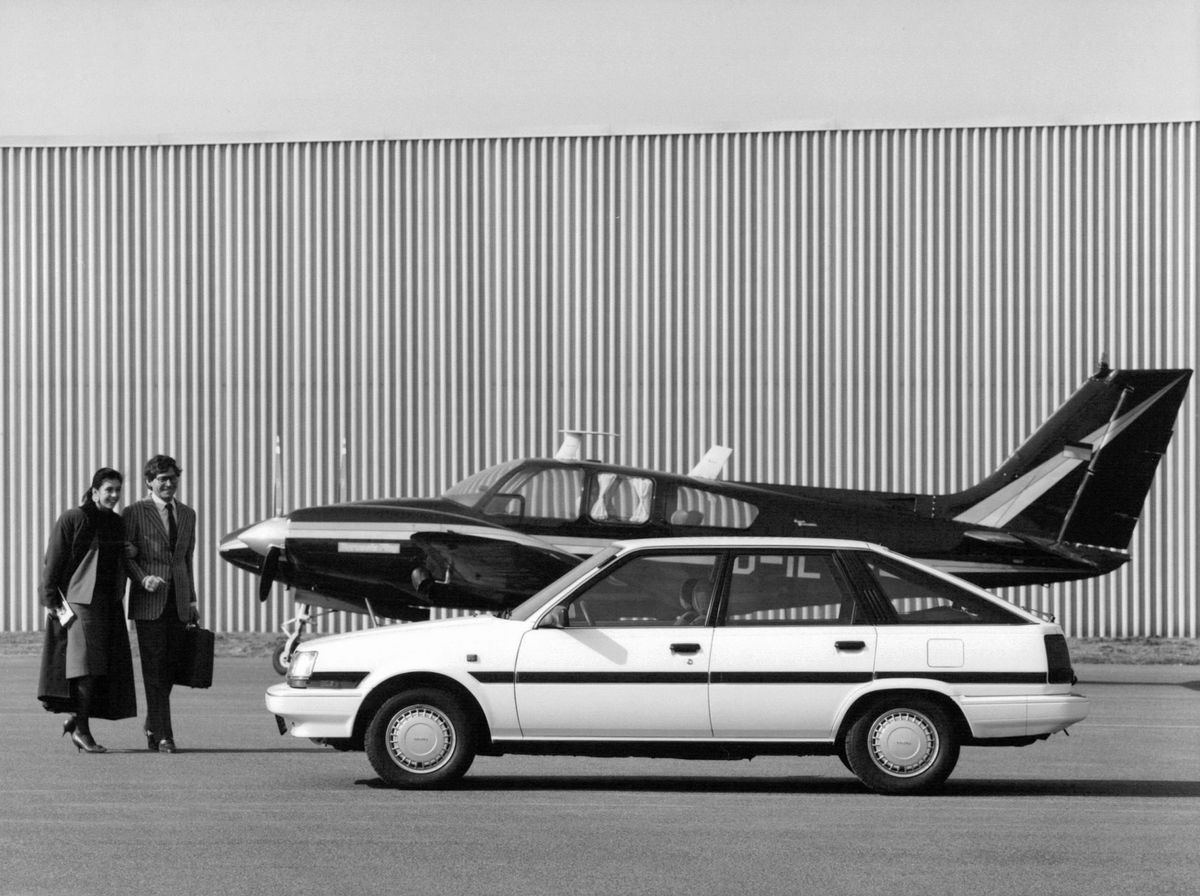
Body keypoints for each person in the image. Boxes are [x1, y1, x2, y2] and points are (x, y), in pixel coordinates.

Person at [37, 468, 138, 753]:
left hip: (109, 603)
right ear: (94, 492)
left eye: (117, 489)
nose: (114, 495)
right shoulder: (75, 518)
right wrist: (53, 604)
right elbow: (52, 561)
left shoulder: (116, 523)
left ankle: (76, 720)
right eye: (108, 489)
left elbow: (116, 557)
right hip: (80, 604)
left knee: (99, 669)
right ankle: (81, 730)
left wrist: (129, 551)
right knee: (86, 669)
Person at [123, 455, 198, 754]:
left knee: (170, 667)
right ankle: (165, 735)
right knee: (154, 667)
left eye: (172, 478)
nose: (168, 483)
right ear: (149, 482)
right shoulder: (134, 512)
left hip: (178, 600)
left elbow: (186, 560)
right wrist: (142, 579)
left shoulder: (188, 514)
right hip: (149, 600)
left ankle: (153, 722)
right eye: (162, 479)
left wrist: (191, 599)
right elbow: (126, 556)